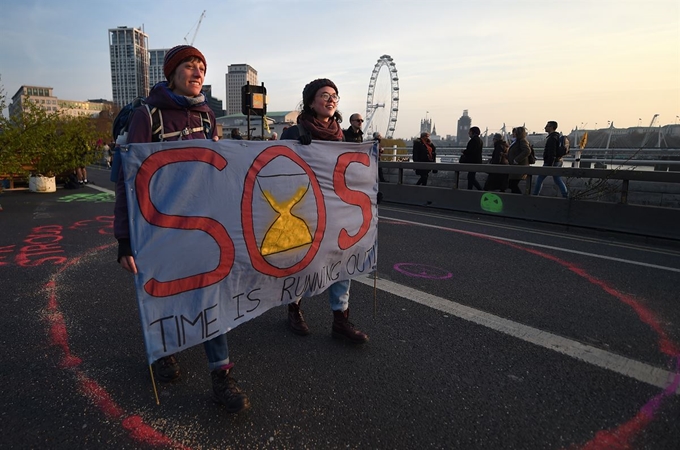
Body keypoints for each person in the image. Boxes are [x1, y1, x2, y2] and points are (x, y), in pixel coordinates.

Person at [113, 45, 250, 414]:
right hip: (158, 229)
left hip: (203, 227)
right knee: (165, 296)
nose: (197, 72)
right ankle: (162, 351)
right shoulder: (147, 115)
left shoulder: (207, 117)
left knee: (211, 298)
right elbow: (129, 183)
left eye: (202, 67)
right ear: (171, 73)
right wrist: (124, 240)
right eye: (189, 66)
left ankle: (222, 375)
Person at [280, 78, 369, 344]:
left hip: (335, 208)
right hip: (304, 209)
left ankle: (340, 319)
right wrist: (296, 149)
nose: (331, 99)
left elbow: (350, 172)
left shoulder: (342, 135)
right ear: (310, 101)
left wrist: (369, 188)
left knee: (342, 261)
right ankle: (293, 308)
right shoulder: (293, 133)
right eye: (324, 95)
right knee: (302, 261)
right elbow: (279, 170)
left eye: (334, 96)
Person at [533, 121, 569, 198]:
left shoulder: (552, 138)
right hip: (558, 161)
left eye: (547, 126)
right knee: (557, 179)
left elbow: (551, 152)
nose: (545, 127)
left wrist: (549, 165)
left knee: (540, 178)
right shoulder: (557, 137)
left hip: (551, 162)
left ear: (552, 127)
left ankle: (535, 195)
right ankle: (565, 195)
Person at [507, 126, 532, 194]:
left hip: (519, 166)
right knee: (511, 184)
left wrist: (516, 160)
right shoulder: (516, 141)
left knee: (512, 184)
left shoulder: (522, 140)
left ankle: (521, 200)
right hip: (515, 166)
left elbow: (527, 151)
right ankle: (515, 200)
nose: (513, 134)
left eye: (515, 132)